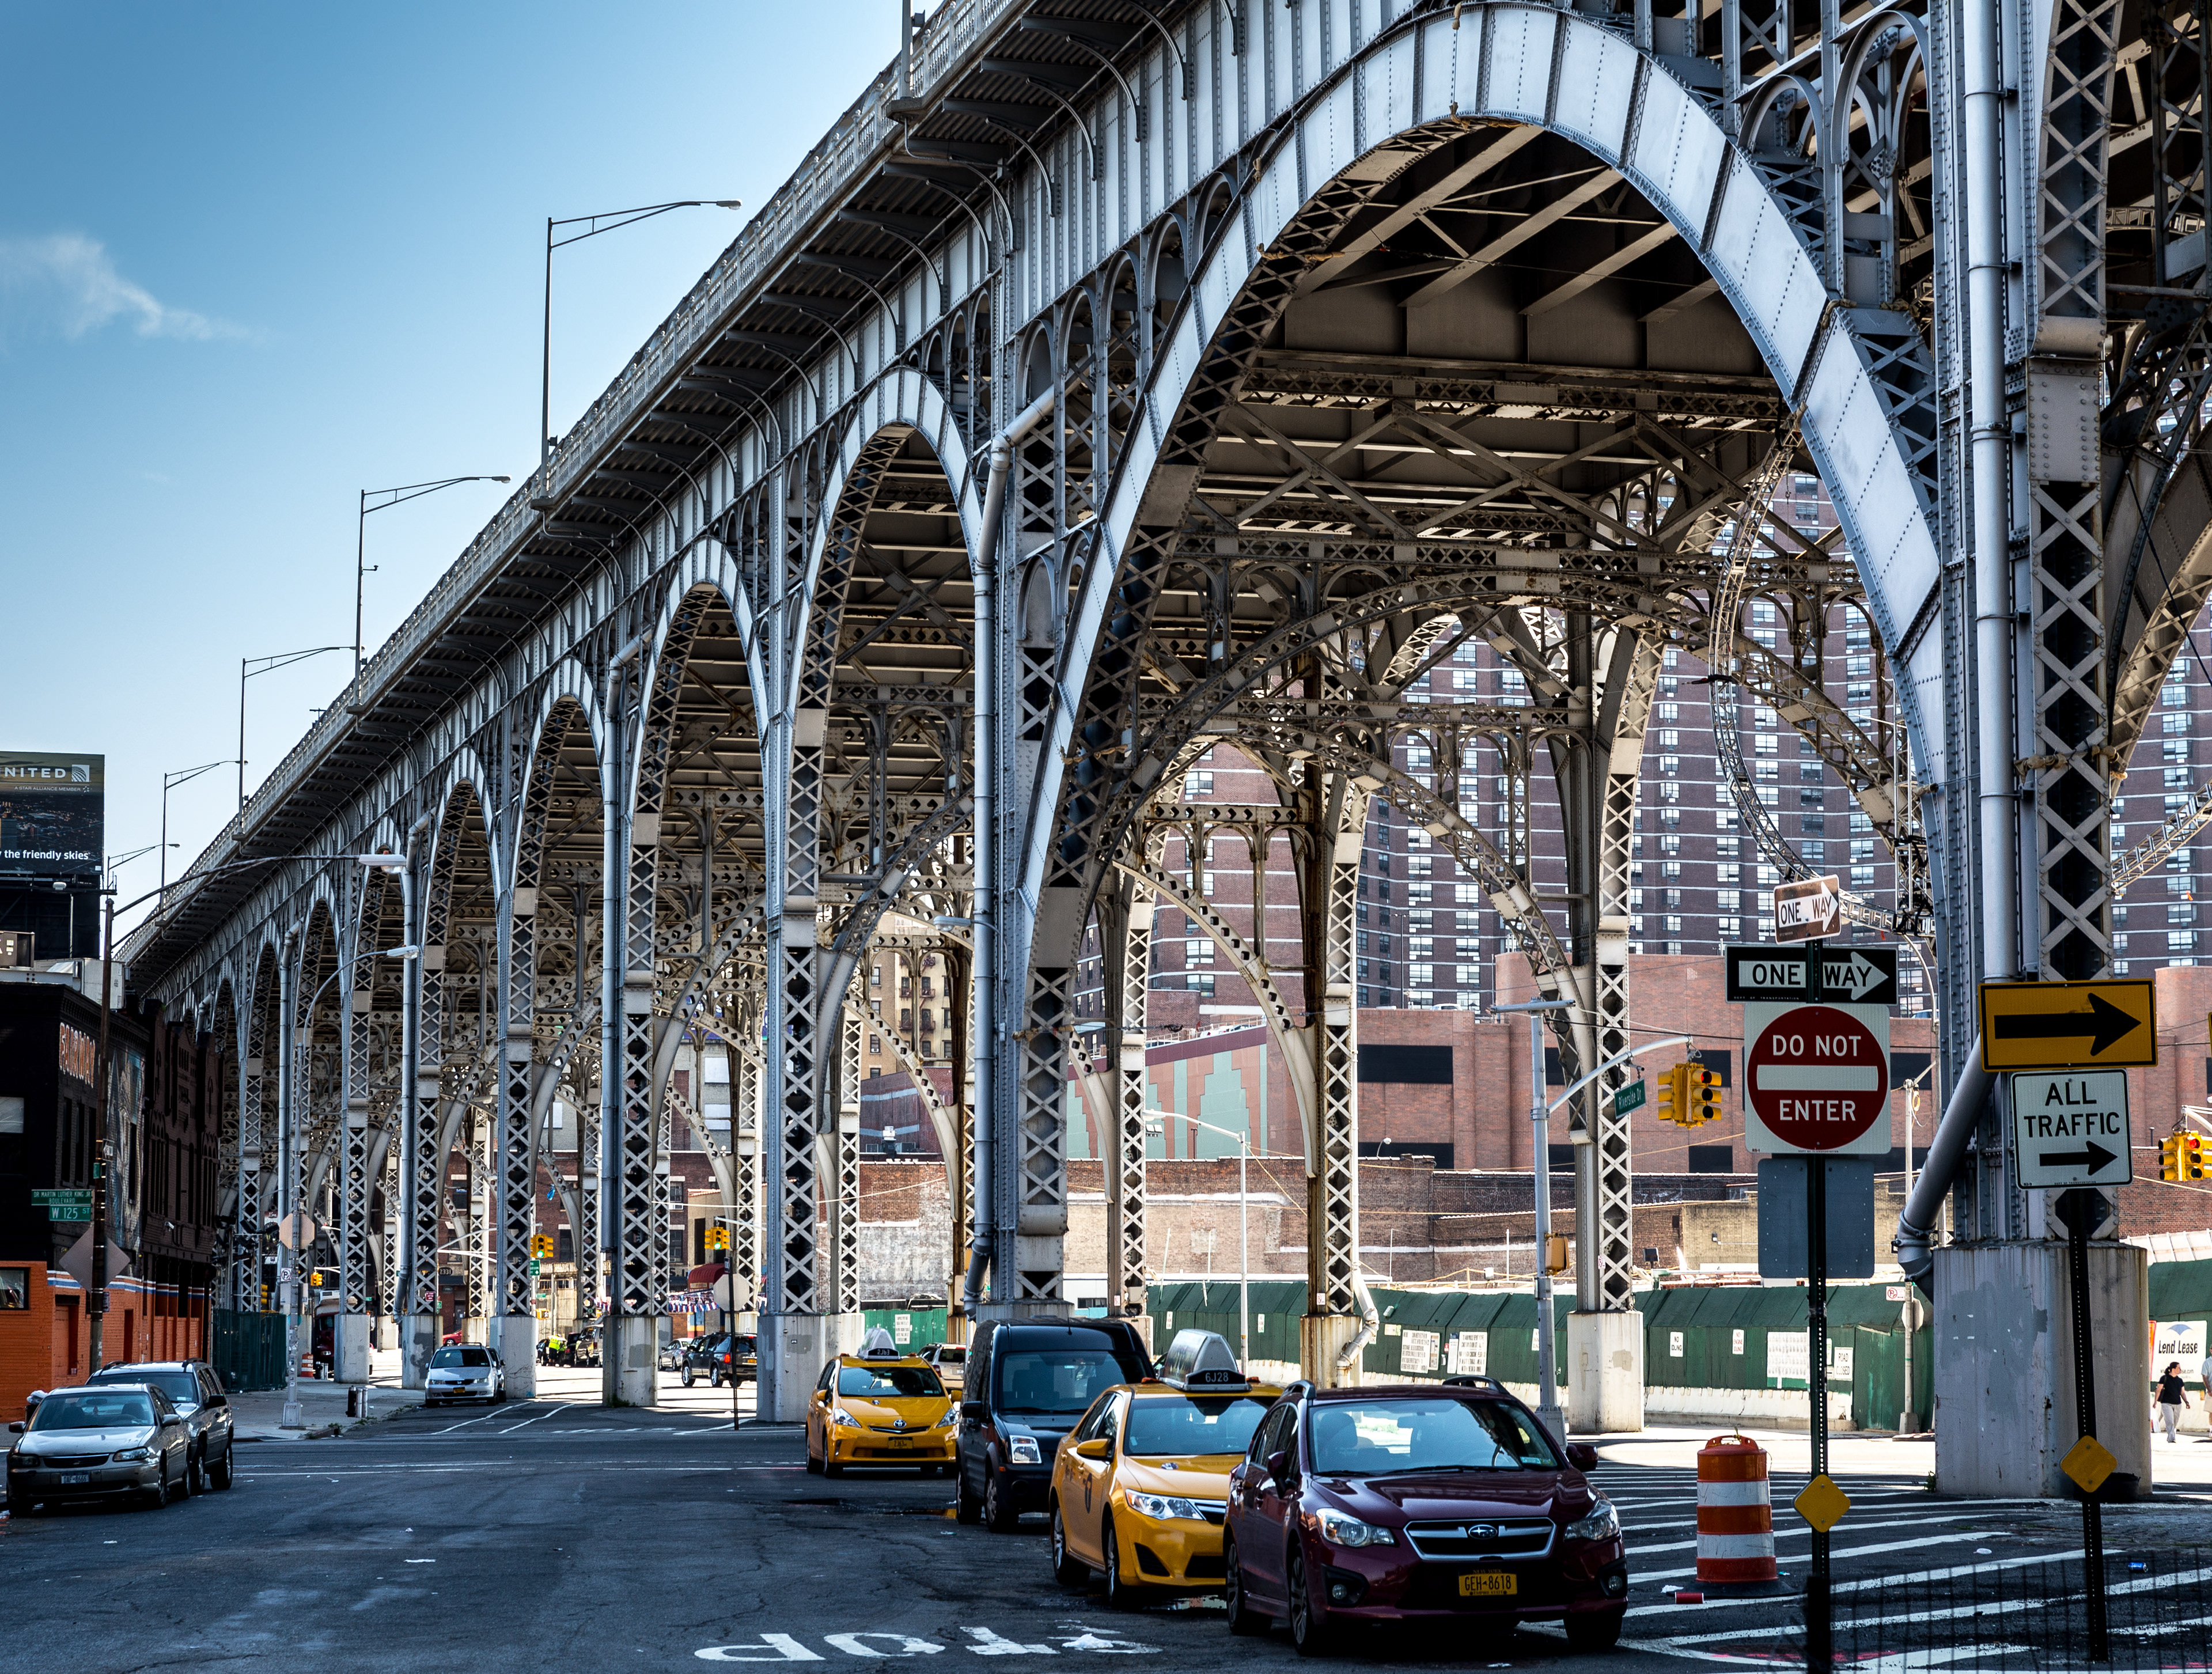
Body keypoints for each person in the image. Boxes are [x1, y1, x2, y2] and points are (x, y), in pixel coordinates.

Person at [2156, 1361, 2191, 1443]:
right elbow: (2158, 1390)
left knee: (2175, 1422)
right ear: (2173, 1369)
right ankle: (2172, 1438)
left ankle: (2170, 1436)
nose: (2180, 1370)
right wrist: (2155, 1402)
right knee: (2170, 1421)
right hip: (2166, 1403)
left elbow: (2182, 1392)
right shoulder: (2164, 1378)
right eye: (2178, 1368)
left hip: (2178, 1404)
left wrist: (2186, 1402)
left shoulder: (2180, 1380)